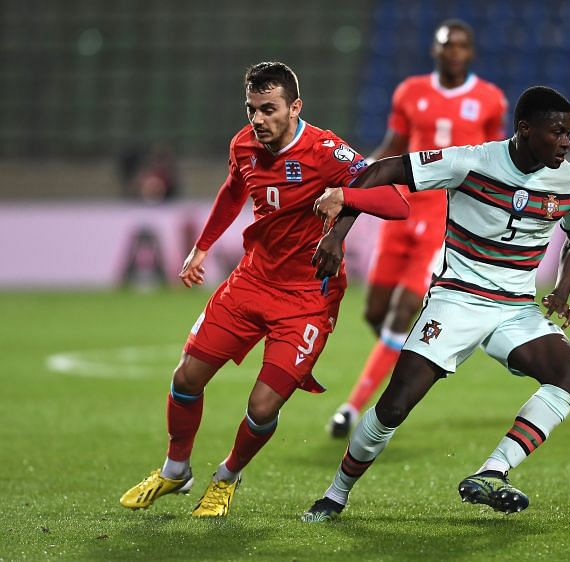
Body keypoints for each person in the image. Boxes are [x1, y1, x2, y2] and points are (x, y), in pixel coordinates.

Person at [119, 61, 409, 518]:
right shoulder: (243, 144)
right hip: (251, 281)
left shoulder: (327, 151)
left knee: (261, 405)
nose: (258, 119)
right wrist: (202, 247)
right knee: (185, 377)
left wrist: (345, 197)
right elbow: (234, 190)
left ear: (295, 107)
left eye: (269, 109)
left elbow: (397, 201)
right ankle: (176, 470)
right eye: (252, 108)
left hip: (308, 299)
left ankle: (227, 476)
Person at [302, 86, 570, 521]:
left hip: (515, 308)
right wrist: (337, 234)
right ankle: (335, 494)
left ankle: (493, 471)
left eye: (569, 133)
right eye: (557, 132)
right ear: (525, 129)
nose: (566, 142)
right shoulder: (471, 162)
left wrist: (562, 289)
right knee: (394, 405)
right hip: (457, 300)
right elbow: (382, 171)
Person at [328, 19, 508, 438]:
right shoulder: (411, 93)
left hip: (444, 221)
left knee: (401, 311)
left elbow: (496, 161)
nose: (454, 52)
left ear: (471, 52)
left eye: (461, 45)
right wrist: (357, 175)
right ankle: (410, 353)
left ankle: (353, 410)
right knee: (374, 311)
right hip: (400, 212)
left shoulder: (489, 100)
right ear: (435, 50)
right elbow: (393, 147)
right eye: (447, 45)